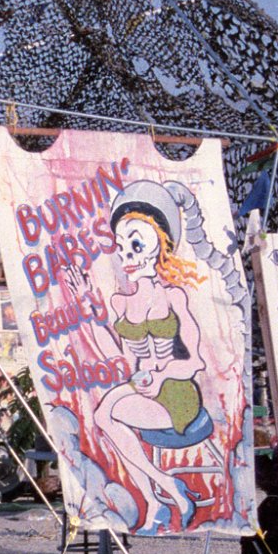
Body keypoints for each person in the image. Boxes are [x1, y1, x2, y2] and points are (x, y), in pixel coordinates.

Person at [62, 180, 210, 534]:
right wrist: (87, 306)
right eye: (121, 245)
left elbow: (195, 361)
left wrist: (162, 375)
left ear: (159, 244)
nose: (126, 255)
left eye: (136, 244)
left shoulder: (173, 297)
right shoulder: (120, 303)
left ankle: (162, 498)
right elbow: (120, 357)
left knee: (105, 414)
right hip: (142, 386)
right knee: (104, 415)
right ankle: (165, 493)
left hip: (176, 394)